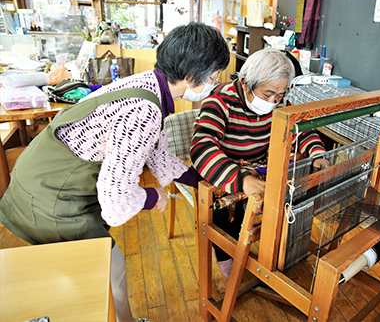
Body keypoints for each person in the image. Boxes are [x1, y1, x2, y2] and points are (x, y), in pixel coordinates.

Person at [0, 22, 229, 322]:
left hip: (40, 177)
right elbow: (115, 200)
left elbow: (158, 154)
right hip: (49, 198)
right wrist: (152, 196)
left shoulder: (149, 85)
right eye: (213, 77)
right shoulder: (144, 110)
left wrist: (204, 182)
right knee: (109, 265)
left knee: (103, 267)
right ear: (189, 76)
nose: (215, 83)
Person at [190, 48, 328, 278]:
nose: (273, 101)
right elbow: (202, 146)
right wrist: (241, 179)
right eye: (267, 94)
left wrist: (318, 153)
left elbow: (301, 128)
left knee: (286, 194)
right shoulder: (219, 101)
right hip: (224, 167)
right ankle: (226, 253)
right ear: (245, 83)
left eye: (279, 95)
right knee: (225, 211)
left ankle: (276, 248)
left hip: (258, 165)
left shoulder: (279, 104)